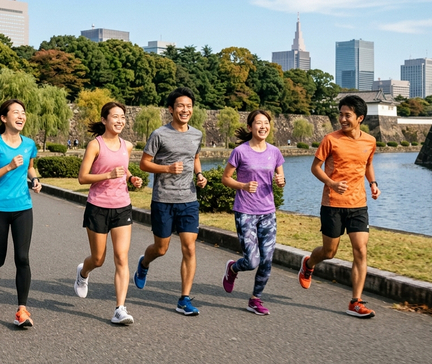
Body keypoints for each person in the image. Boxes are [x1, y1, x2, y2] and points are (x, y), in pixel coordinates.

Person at [298, 95, 381, 318]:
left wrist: (373, 183)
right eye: (341, 114)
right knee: (329, 252)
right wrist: (331, 183)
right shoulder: (330, 139)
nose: (342, 119)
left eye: (348, 115)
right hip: (332, 204)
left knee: (360, 250)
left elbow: (368, 165)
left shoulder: (370, 141)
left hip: (358, 204)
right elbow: (315, 168)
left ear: (360, 118)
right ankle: (309, 263)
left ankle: (356, 301)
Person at [133, 87, 207, 316]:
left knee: (190, 248)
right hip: (163, 199)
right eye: (180, 106)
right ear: (171, 109)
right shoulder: (159, 134)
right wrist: (167, 168)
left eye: (189, 106)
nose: (185, 110)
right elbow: (144, 164)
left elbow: (194, 157)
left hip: (189, 199)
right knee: (161, 248)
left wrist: (200, 174)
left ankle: (184, 299)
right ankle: (144, 263)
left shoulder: (197, 134)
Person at [74, 102, 143, 325]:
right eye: (115, 117)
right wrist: (108, 175)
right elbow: (83, 177)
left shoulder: (127, 145)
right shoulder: (96, 145)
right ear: (104, 120)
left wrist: (131, 178)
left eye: (122, 117)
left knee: (121, 257)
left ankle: (120, 309)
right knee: (98, 258)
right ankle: (83, 273)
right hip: (98, 207)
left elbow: (123, 168)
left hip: (122, 206)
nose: (120, 121)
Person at [0, 99, 41, 328]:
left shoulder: (29, 144)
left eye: (23, 113)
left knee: (22, 258)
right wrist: (8, 167)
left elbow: (31, 166)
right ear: (4, 118)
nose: (21, 116)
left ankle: (22, 310)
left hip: (23, 208)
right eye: (16, 112)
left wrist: (34, 180)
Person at [221, 110, 286, 315]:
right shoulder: (240, 151)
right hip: (246, 211)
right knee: (252, 261)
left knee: (267, 259)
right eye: (258, 123)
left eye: (266, 123)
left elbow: (281, 178)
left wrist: (281, 181)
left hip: (268, 212)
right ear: (250, 127)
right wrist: (242, 185)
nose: (263, 126)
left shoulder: (275, 152)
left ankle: (255, 299)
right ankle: (232, 269)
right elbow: (226, 178)